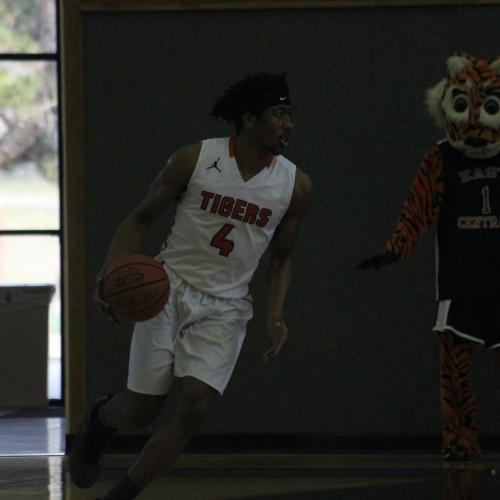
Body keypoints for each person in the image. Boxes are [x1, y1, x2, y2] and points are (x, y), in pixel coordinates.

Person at [69, 72, 313, 499]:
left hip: (226, 306)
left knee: (195, 403)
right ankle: (99, 421)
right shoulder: (193, 159)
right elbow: (142, 217)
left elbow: (282, 258)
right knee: (142, 408)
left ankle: (122, 494)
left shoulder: (296, 187)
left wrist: (275, 314)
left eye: (290, 114)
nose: (289, 124)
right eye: (279, 115)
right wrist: (109, 272)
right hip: (168, 289)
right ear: (250, 119)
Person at [358, 53, 500, 461]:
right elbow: (417, 210)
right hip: (460, 282)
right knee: (455, 374)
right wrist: (395, 248)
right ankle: (459, 440)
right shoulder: (441, 157)